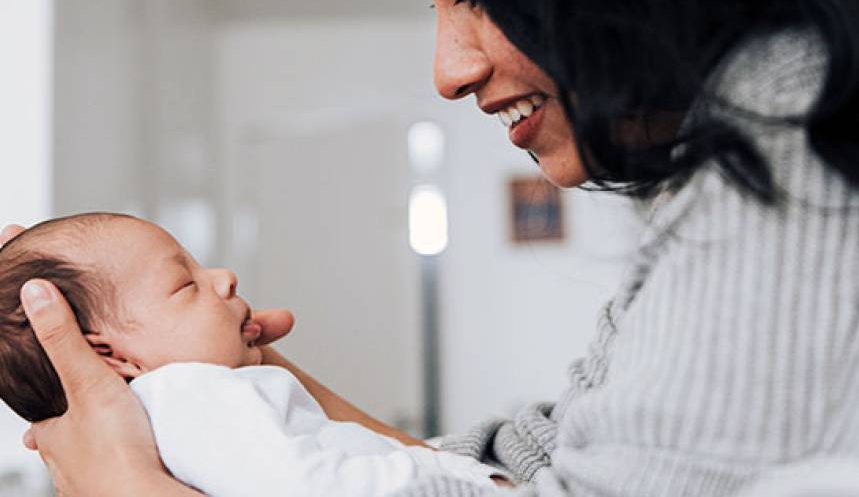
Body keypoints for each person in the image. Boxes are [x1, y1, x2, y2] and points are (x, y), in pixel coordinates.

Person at [6, 0, 859, 496]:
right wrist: (259, 369)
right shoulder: (728, 160)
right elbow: (537, 460)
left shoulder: (795, 113)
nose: (447, 70)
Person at [0, 213, 505, 496]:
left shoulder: (175, 411)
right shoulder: (185, 395)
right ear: (114, 358)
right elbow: (305, 490)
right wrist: (453, 484)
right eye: (184, 284)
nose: (223, 278)